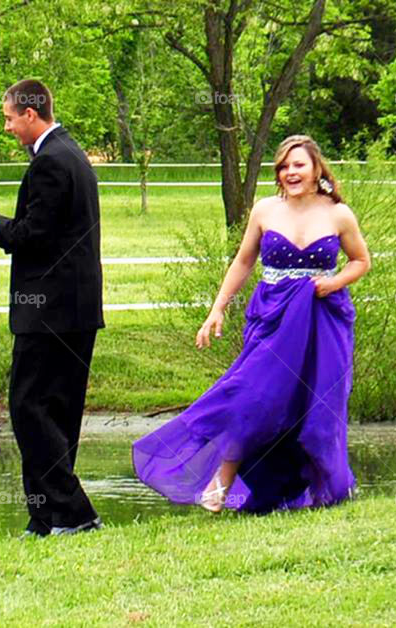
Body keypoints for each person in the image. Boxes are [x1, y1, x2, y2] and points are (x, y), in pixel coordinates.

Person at [132, 135, 371, 514]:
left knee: (317, 404)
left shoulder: (338, 214)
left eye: (298, 165)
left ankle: (320, 487)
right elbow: (243, 262)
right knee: (253, 395)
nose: (290, 172)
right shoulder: (265, 210)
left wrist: (334, 282)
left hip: (322, 321)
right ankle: (221, 481)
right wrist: (217, 309)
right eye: (284, 166)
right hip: (274, 317)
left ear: (316, 169)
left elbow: (361, 260)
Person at [0, 79, 104, 536]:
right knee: (57, 411)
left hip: (50, 313)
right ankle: (47, 518)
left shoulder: (51, 164)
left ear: (31, 115)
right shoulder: (70, 154)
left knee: (28, 407)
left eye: (9, 118)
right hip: (75, 311)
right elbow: (51, 231)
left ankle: (75, 513)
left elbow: (32, 238)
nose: (7, 127)